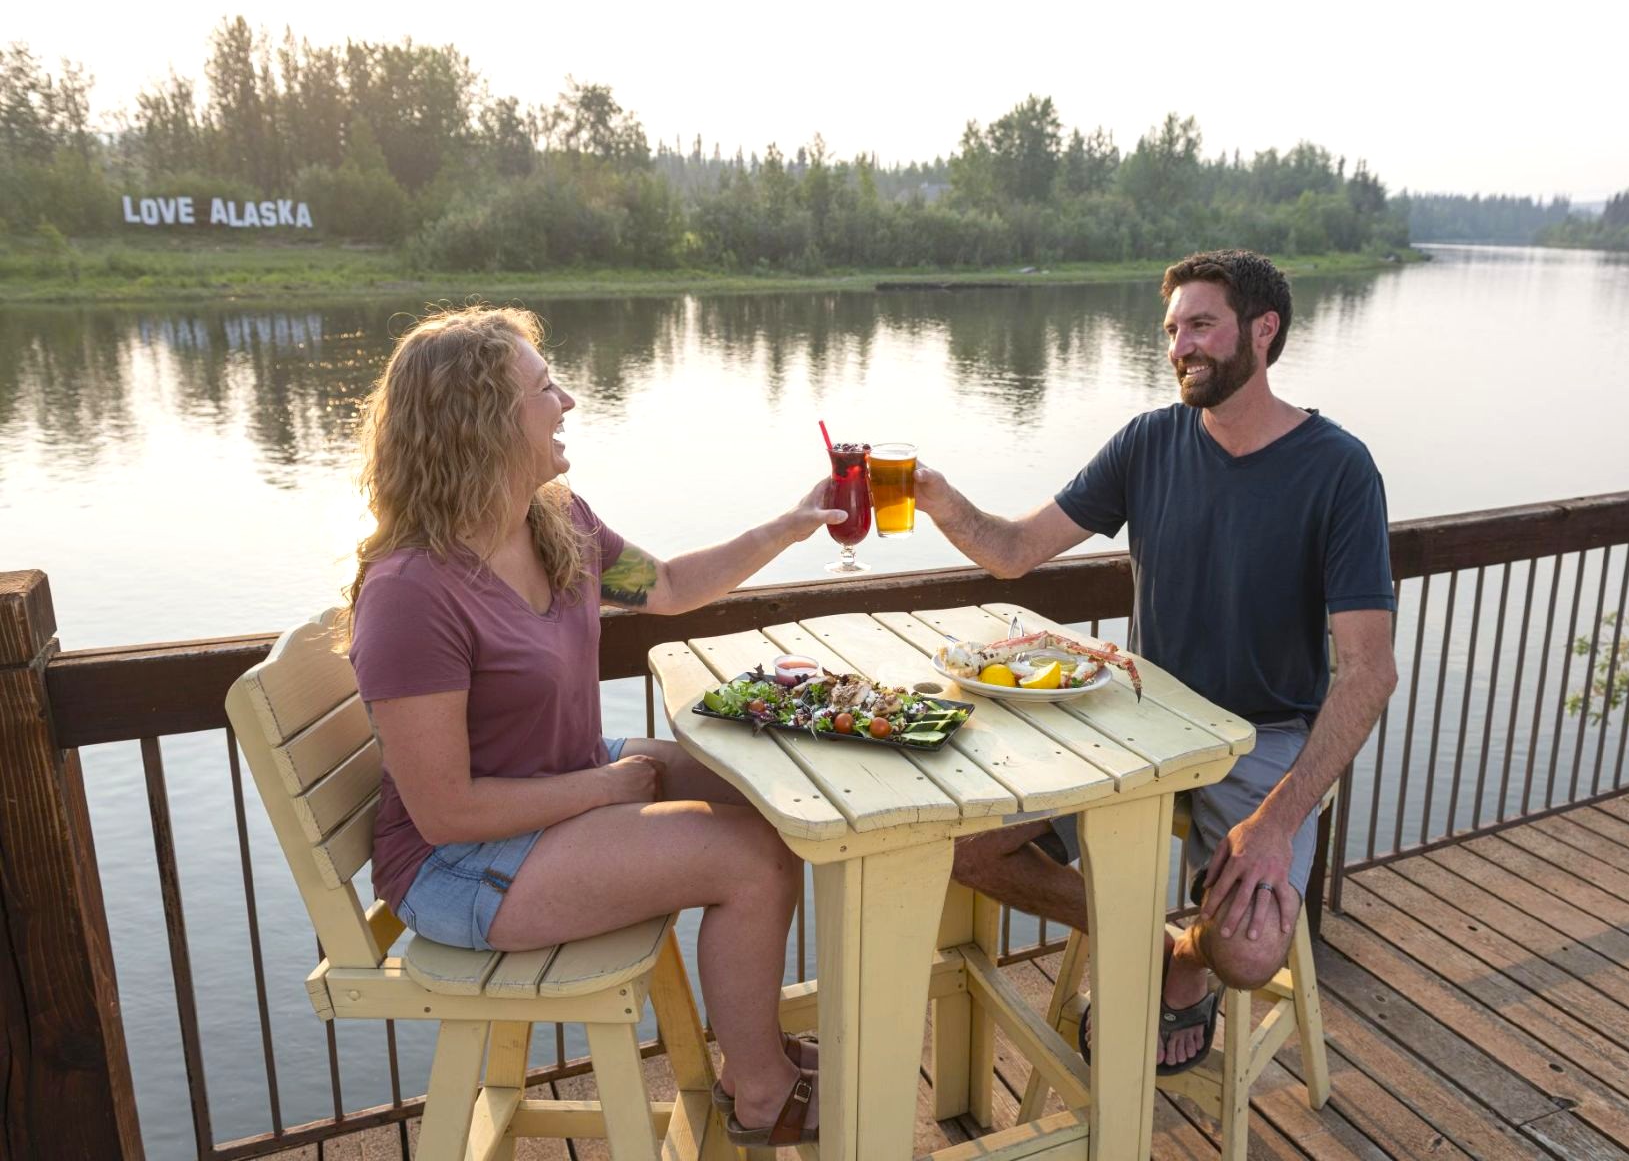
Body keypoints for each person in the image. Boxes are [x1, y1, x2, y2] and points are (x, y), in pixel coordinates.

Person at [343, 305, 830, 1145]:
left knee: (777, 791)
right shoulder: (411, 594)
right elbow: (446, 812)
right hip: (459, 864)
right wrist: (606, 789)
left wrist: (789, 527)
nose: (566, 401)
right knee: (749, 857)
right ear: (484, 421)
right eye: (545, 388)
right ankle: (760, 1093)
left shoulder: (555, 520)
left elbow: (668, 585)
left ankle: (755, 1049)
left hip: (555, 780)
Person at [915, 250, 1397, 1073]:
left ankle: (1192, 957)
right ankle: (1153, 941)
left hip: (1264, 735)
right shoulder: (1149, 441)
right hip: (1142, 716)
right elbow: (1015, 551)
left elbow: (1369, 672)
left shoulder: (1339, 469)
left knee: (1250, 953)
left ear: (1264, 330)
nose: (1181, 347)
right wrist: (936, 497)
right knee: (968, 847)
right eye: (1173, 330)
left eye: (1201, 325)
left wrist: (1277, 821)